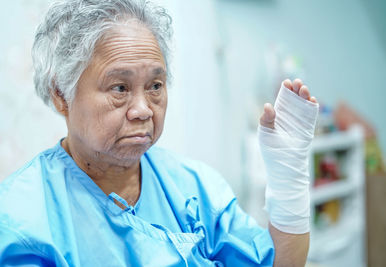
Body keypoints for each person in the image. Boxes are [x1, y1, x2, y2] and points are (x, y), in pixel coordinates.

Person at [0, 0, 319, 266]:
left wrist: (288, 178)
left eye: (155, 85)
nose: (143, 109)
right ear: (61, 93)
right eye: (120, 87)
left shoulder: (195, 188)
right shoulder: (22, 220)